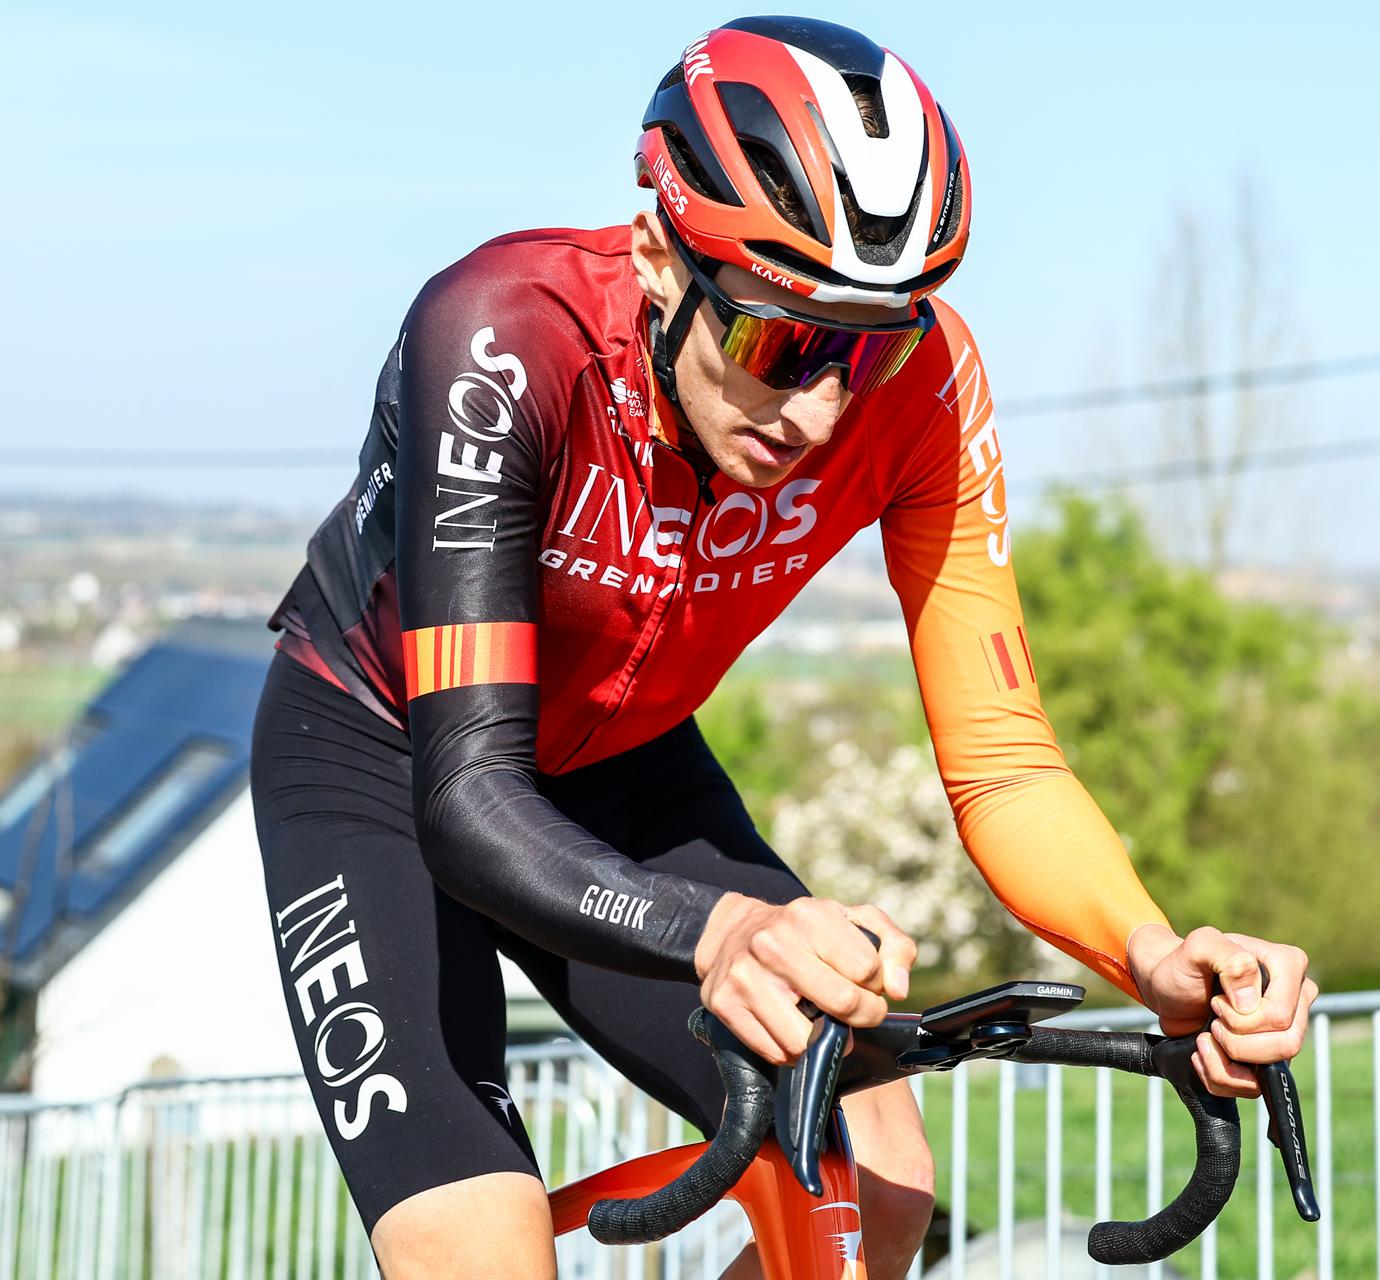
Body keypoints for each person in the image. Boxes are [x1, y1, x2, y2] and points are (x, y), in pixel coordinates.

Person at [251, 15, 1318, 1279]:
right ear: (659, 250)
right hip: (384, 753)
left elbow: (1005, 764)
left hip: (626, 763)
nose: (815, 409)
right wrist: (718, 933)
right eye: (775, 338)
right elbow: (471, 797)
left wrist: (1153, 953)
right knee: (477, 1247)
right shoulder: (504, 333)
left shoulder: (928, 390)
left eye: (863, 349)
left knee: (881, 1178)